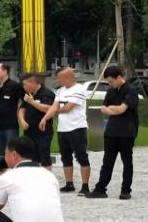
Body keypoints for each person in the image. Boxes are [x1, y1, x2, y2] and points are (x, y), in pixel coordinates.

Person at [87, 66, 140, 200]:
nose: (109, 84)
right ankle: (100, 188)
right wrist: (113, 109)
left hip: (127, 131)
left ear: (118, 77)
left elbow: (123, 109)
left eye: (111, 81)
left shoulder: (131, 90)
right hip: (111, 130)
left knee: (127, 161)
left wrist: (113, 109)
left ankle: (126, 190)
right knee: (107, 161)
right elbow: (104, 109)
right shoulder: (110, 91)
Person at [41, 67, 91, 195]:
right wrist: (45, 118)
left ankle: (85, 186)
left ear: (68, 77)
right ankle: (69, 183)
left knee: (81, 156)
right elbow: (54, 106)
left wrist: (55, 111)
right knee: (65, 156)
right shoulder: (61, 91)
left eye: (59, 78)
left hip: (77, 128)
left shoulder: (79, 89)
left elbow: (68, 108)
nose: (58, 80)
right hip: (63, 128)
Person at [18, 73, 56, 170]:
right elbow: (22, 109)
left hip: (43, 130)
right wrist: (22, 121)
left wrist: (32, 102)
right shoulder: (28, 95)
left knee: (43, 152)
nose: (24, 87)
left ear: (33, 83)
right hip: (29, 130)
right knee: (30, 154)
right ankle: (33, 175)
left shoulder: (47, 93)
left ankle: (47, 176)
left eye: (25, 84)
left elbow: (48, 109)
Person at [0, 64, 22, 166]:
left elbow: (24, 100)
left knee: (12, 150)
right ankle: (0, 174)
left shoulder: (15, 86)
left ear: (5, 71)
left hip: (10, 125)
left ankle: (14, 172)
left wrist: (19, 113)